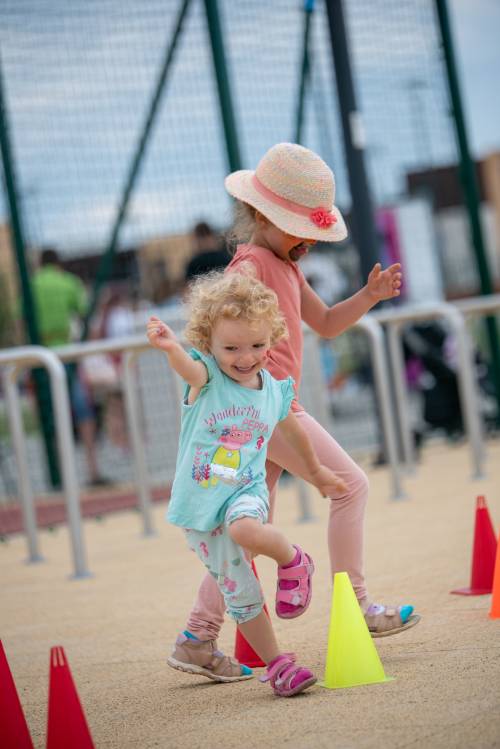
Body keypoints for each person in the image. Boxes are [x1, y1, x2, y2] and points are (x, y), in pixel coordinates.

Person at [176, 143, 420, 673]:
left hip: (270, 409)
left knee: (245, 522)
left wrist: (369, 296)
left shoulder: (283, 263)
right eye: (297, 228)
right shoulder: (250, 266)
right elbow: (215, 339)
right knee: (349, 484)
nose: (307, 241)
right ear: (262, 216)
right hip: (265, 408)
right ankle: (355, 606)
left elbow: (327, 322)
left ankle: (197, 635)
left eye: (312, 232)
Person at [147, 271, 347, 697]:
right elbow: (187, 366)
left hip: (245, 493)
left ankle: (295, 561)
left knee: (244, 529)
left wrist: (316, 474)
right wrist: (170, 348)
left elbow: (294, 434)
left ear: (272, 337)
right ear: (208, 343)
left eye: (257, 346)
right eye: (231, 348)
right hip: (199, 509)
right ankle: (278, 666)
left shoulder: (274, 390)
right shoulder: (206, 379)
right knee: (242, 594)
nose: (245, 357)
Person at [31, 248, 109, 486]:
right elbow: (86, 315)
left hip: (39, 356)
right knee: (83, 412)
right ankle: (92, 469)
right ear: (58, 263)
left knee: (49, 415)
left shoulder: (31, 285)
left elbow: (21, 320)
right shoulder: (68, 282)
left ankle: (59, 474)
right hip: (68, 354)